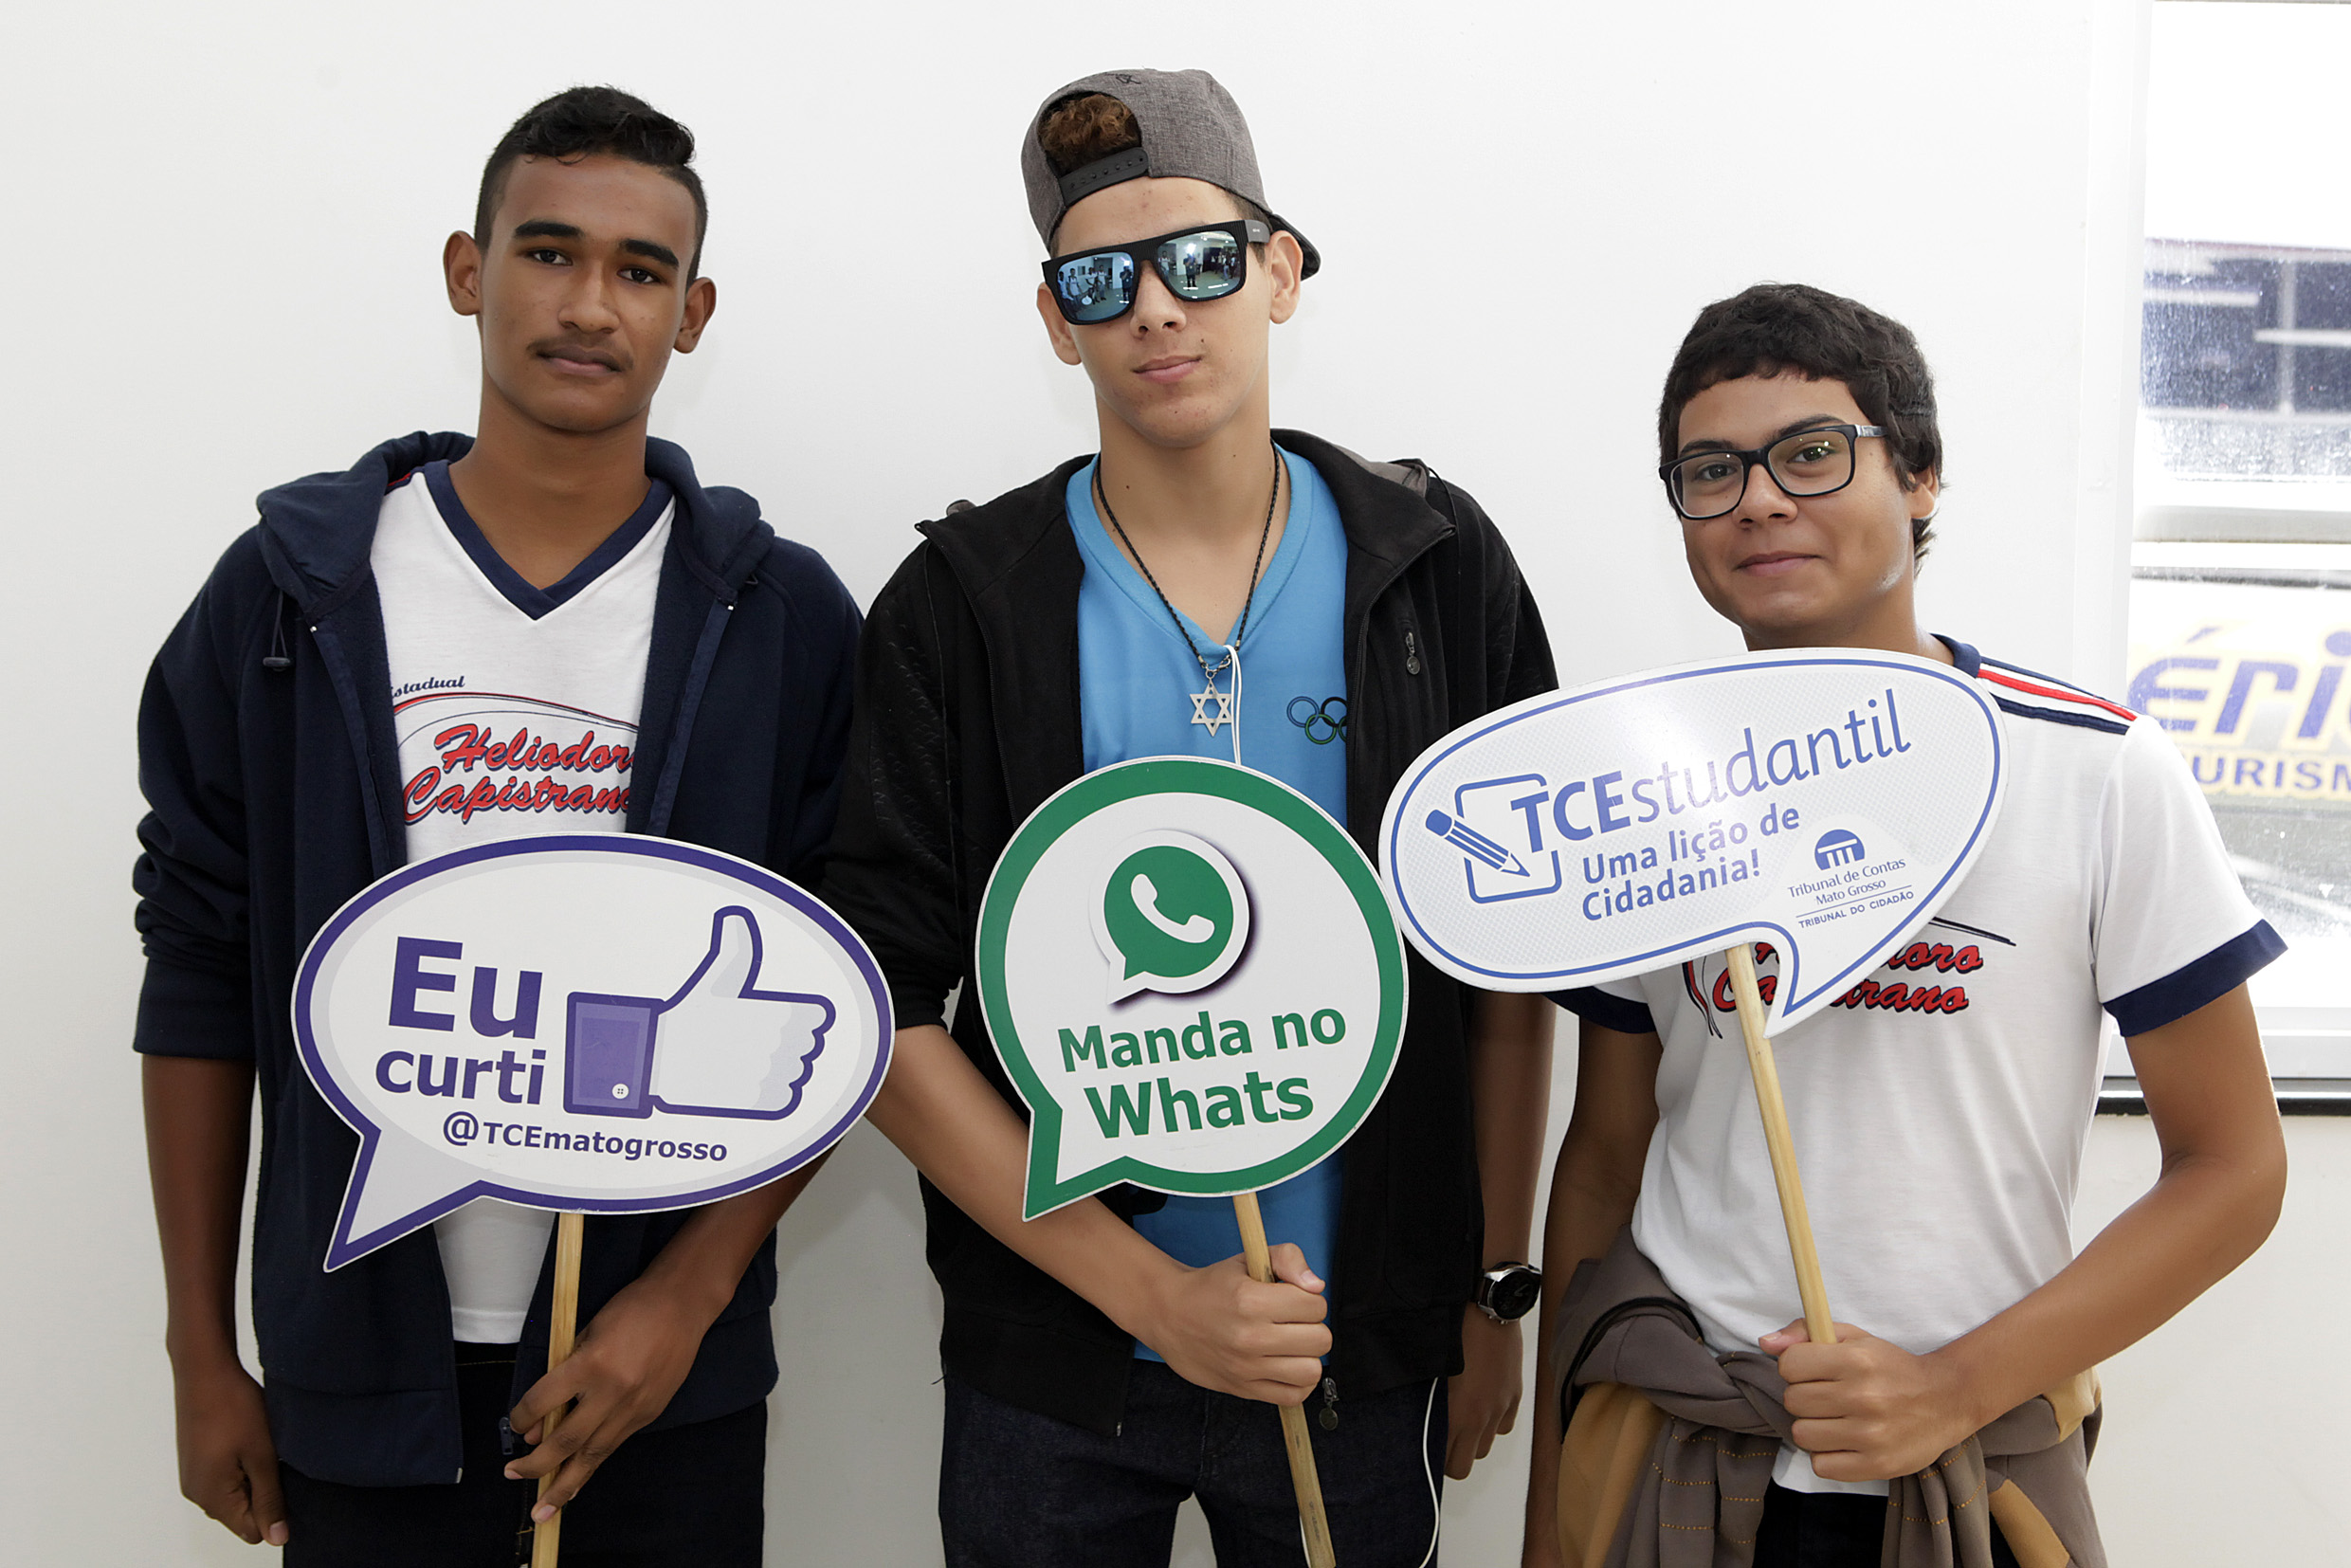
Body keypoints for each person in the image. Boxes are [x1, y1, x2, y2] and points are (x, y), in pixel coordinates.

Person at [821, 69, 1558, 1566]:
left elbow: (1509, 960)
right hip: (1059, 1364)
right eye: (1102, 279)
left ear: (1280, 271)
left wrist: (1490, 1288)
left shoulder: (1431, 564)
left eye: (1201, 260)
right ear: (1057, 321)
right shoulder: (968, 602)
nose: (1156, 308)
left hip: (1358, 1349)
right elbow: (877, 1002)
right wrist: (1152, 1294)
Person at [133, 86, 860, 1566]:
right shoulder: (291, 593)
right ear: (470, 271)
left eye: (640, 270)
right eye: (548, 252)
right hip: (358, 1372)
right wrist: (199, 1349)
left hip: (657, 1384)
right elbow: (198, 965)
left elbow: (852, 997)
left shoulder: (781, 616)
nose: (589, 304)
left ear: (692, 314)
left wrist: (687, 1299)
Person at [1522, 283, 2288, 1568]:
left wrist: (1953, 1385)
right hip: (1680, 1452)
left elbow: (2234, 1168)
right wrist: (1554, 1511)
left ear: (1921, 475)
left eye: (1813, 452)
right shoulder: (1643, 792)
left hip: (1969, 1459)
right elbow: (1604, 1155)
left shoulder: (2092, 769)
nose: (1760, 500)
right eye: (1711, 470)